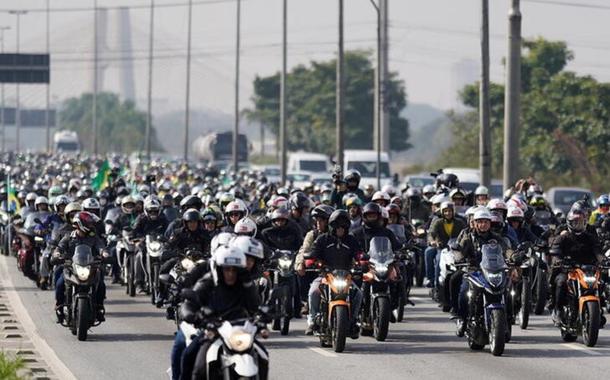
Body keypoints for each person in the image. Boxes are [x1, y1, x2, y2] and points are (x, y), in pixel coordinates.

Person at [177, 245, 262, 380]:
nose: (230, 274)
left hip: (239, 332)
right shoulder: (207, 283)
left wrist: (265, 315)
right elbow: (190, 303)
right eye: (226, 269)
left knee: (263, 355)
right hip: (214, 332)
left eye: (234, 270)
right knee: (191, 359)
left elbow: (256, 305)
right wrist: (193, 315)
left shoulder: (246, 285)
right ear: (219, 269)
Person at [305, 210, 363, 338]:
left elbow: (358, 253)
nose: (340, 229)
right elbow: (313, 253)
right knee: (314, 291)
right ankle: (313, 320)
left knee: (358, 294)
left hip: (346, 276)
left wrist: (362, 259)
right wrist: (310, 260)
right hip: (325, 276)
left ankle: (353, 321)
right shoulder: (323, 239)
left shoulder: (351, 240)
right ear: (332, 226)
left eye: (343, 226)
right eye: (337, 226)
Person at [454, 209, 509, 335]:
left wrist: (512, 256)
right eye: (480, 222)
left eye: (485, 222)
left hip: (493, 271)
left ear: (490, 223)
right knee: (464, 293)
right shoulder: (468, 238)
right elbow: (459, 250)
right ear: (475, 223)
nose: (483, 225)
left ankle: (507, 321)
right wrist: (459, 256)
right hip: (474, 272)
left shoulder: (496, 238)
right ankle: (462, 319)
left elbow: (506, 249)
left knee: (507, 292)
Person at [549, 209, 604, 324]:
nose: (578, 225)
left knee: (600, 283)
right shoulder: (563, 237)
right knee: (561, 282)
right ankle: (558, 310)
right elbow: (555, 251)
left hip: (587, 270)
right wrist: (559, 260)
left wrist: (603, 260)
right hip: (568, 270)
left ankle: (600, 310)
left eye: (581, 222)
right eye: (575, 222)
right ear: (569, 223)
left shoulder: (590, 237)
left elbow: (597, 251)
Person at [52, 211, 107, 324]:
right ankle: (60, 307)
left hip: (89, 267)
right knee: (60, 283)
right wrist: (57, 254)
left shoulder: (93, 237)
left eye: (91, 224)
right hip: (71, 267)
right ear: (80, 224)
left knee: (100, 284)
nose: (91, 226)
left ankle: (99, 307)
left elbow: (100, 246)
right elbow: (60, 247)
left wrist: (103, 253)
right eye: (88, 223)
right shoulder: (68, 237)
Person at [131, 197, 169, 293]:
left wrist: (167, 239)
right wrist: (137, 239)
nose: (153, 213)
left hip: (159, 243)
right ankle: (139, 282)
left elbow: (168, 231)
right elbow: (134, 231)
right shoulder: (141, 218)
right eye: (150, 211)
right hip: (144, 243)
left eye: (155, 211)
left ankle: (166, 282)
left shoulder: (163, 218)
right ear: (146, 210)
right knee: (140, 255)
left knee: (168, 256)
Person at [425, 201, 466, 288]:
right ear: (442, 212)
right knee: (439, 260)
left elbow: (465, 234)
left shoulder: (460, 222)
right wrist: (432, 241)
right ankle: (435, 285)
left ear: (453, 211)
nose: (448, 213)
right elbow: (431, 233)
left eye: (450, 211)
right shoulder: (437, 222)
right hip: (442, 248)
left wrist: (464, 243)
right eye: (445, 211)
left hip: (456, 249)